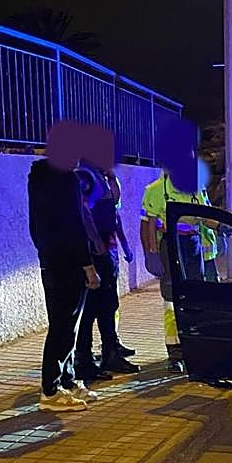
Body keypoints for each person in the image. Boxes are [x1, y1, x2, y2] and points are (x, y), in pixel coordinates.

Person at [27, 123, 103, 412]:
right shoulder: (65, 179)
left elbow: (39, 226)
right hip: (67, 264)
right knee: (63, 326)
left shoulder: (40, 177)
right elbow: (74, 225)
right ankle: (51, 390)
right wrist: (88, 265)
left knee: (66, 325)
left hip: (51, 260)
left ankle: (67, 381)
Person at [140, 170, 218, 371]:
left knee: (196, 297)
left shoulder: (196, 186)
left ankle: (195, 347)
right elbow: (149, 224)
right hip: (171, 244)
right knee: (172, 299)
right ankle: (175, 352)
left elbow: (206, 216)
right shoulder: (155, 190)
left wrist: (223, 223)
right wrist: (152, 254)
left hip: (193, 244)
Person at [74, 161, 139, 381]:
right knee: (92, 307)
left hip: (106, 248)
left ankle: (110, 351)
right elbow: (84, 213)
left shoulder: (102, 176)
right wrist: (95, 243)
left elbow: (114, 210)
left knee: (108, 304)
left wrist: (124, 245)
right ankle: (84, 359)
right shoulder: (85, 176)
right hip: (95, 251)